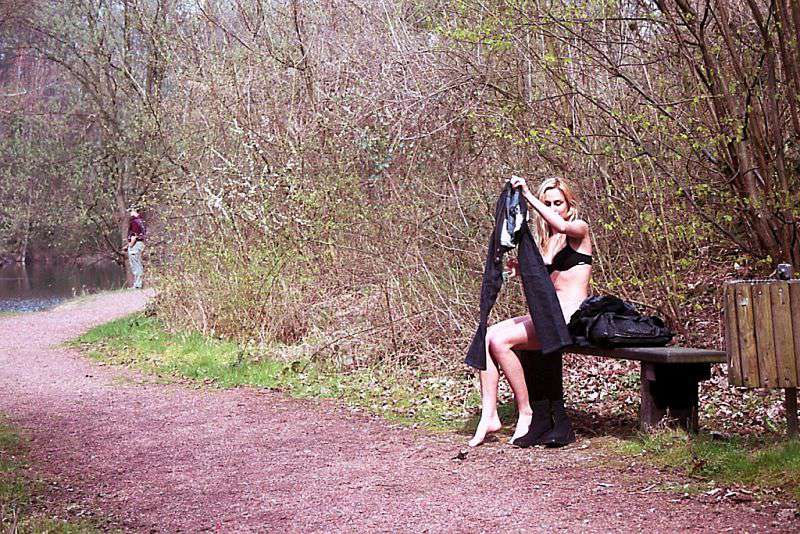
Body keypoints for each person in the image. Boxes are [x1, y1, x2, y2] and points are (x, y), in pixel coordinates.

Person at [469, 176, 592, 447]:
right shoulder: (548, 242)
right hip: (549, 316)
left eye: (558, 203)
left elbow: (562, 225)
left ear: (570, 205)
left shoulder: (579, 230)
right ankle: (489, 413)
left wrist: (527, 195)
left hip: (570, 319)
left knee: (501, 342)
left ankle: (527, 411)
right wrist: (521, 269)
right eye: (548, 203)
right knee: (486, 335)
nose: (553, 208)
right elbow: (546, 287)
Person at [126, 208, 146, 289]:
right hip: (140, 244)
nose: (130, 213)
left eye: (131, 211)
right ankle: (139, 284)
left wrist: (130, 245)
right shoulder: (141, 221)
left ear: (134, 211)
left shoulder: (134, 221)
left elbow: (135, 235)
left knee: (135, 265)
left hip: (135, 245)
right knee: (139, 264)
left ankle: (138, 285)